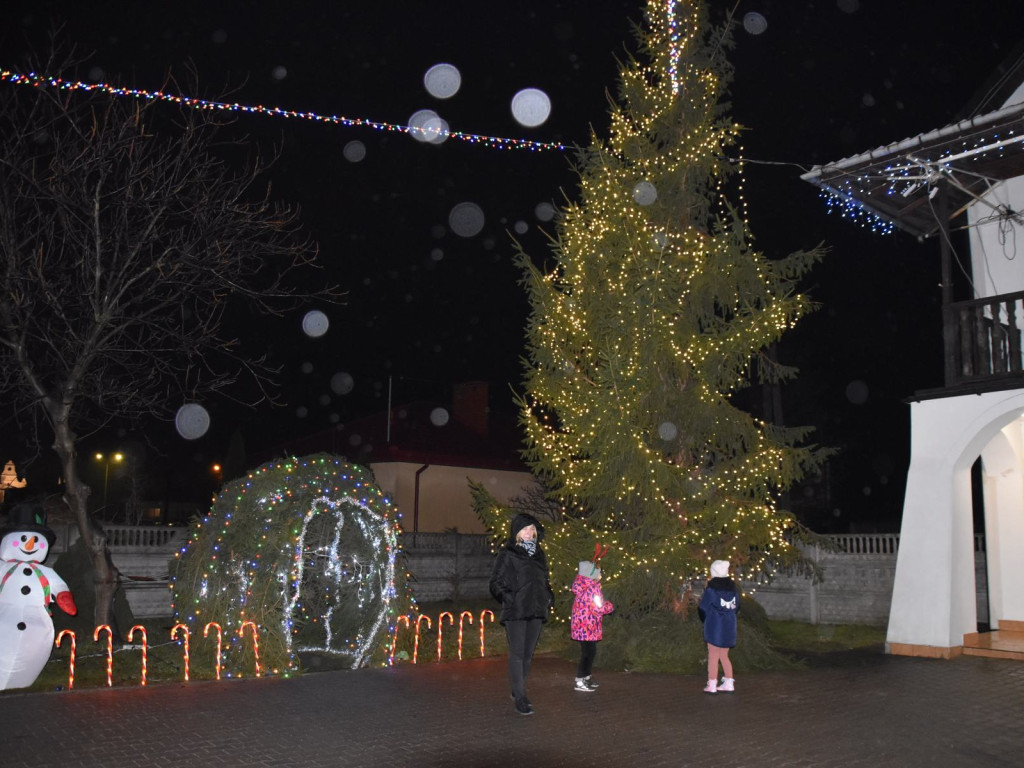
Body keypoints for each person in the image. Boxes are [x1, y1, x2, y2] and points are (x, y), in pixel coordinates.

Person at [489, 512, 554, 716]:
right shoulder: (508, 553)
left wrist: (548, 594)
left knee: (527, 655)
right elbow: (495, 583)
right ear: (517, 532)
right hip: (516, 611)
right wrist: (509, 598)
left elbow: (543, 579)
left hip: (535, 609)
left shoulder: (539, 554)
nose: (528, 533)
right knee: (517, 655)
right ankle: (520, 696)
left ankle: (518, 688)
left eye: (532, 529)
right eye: (525, 529)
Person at [570, 557, 613, 692]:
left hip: (582, 626)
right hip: (588, 627)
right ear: (592, 575)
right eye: (599, 572)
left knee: (589, 652)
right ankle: (580, 680)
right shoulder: (592, 589)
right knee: (588, 653)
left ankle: (586, 677)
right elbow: (598, 608)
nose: (601, 575)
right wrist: (609, 606)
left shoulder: (582, 586)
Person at [698, 559, 739, 694]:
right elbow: (737, 606)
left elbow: (703, 607)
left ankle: (712, 683)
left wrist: (706, 619)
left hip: (715, 626)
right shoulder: (733, 590)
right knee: (724, 655)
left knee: (713, 655)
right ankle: (729, 681)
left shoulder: (711, 590)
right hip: (729, 625)